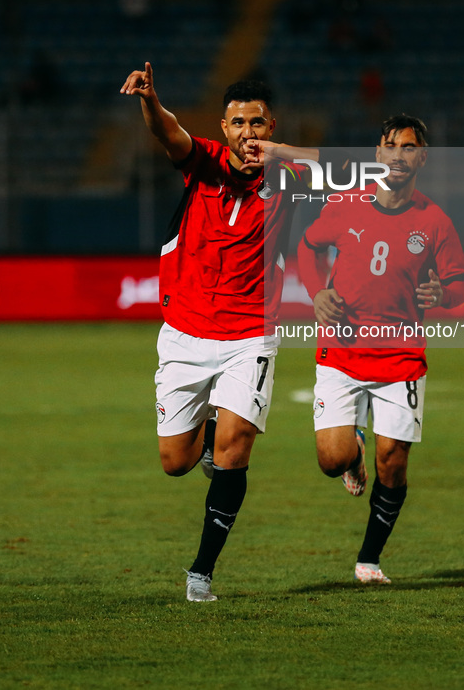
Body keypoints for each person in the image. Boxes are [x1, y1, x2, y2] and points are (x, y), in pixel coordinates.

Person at [119, 62, 307, 602]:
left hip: (251, 334)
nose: (248, 133)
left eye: (258, 123)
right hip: (185, 333)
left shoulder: (291, 179)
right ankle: (201, 433)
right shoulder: (201, 162)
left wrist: (287, 156)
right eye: (238, 123)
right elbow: (166, 131)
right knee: (175, 463)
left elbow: (360, 170)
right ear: (223, 128)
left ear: (272, 128)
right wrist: (151, 100)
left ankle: (201, 572)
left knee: (237, 445)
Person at [296, 114, 464, 585]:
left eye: (408, 147)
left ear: (421, 158)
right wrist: (316, 293)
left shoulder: (434, 222)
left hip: (401, 356)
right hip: (343, 350)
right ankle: (352, 453)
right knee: (330, 461)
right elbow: (307, 247)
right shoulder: (346, 204)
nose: (397, 154)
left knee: (393, 462)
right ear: (378, 153)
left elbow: (459, 284)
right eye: (390, 145)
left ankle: (369, 560)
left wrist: (443, 296)